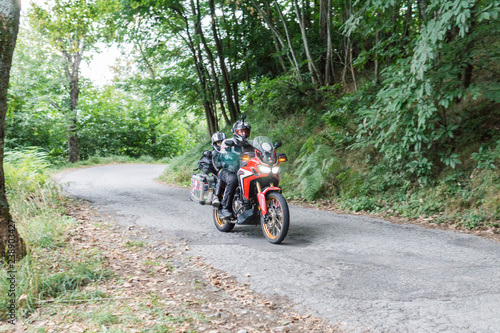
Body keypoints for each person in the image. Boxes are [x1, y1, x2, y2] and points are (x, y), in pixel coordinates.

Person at [213, 116, 254, 220]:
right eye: (241, 131)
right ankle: (225, 209)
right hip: (229, 170)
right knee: (233, 179)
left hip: (246, 170)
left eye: (246, 131)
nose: (244, 134)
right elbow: (222, 154)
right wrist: (229, 155)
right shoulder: (228, 142)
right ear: (236, 132)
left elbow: (260, 152)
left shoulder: (251, 144)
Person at [210, 131, 226, 208]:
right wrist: (223, 165)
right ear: (215, 144)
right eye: (219, 142)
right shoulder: (215, 153)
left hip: (230, 170)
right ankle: (216, 196)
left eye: (222, 142)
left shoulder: (228, 151)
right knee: (221, 172)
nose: (221, 144)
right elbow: (216, 165)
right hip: (220, 171)